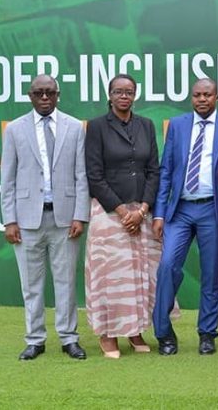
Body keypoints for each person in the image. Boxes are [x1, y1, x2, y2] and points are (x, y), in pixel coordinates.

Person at [1, 74, 89, 360]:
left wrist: (80, 216)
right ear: (30, 95)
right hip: (27, 221)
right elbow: (8, 179)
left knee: (66, 283)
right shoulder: (14, 129)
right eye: (39, 93)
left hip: (65, 220)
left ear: (58, 94)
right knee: (31, 285)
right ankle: (35, 339)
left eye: (50, 92)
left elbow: (81, 176)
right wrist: (10, 220)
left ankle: (69, 338)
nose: (44, 98)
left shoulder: (74, 127)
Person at [152, 78, 218, 356]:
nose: (202, 99)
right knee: (167, 266)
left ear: (217, 97)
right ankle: (164, 333)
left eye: (207, 95)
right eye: (197, 95)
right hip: (180, 210)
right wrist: (159, 213)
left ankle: (207, 333)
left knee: (211, 273)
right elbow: (166, 171)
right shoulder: (177, 125)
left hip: (213, 209)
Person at [84, 73, 160, 359]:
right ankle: (107, 335)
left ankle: (134, 330)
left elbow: (153, 170)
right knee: (110, 276)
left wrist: (142, 210)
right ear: (110, 95)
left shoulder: (146, 125)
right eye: (118, 91)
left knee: (138, 275)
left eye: (129, 91)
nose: (124, 96)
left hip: (140, 212)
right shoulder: (96, 127)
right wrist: (121, 210)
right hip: (109, 213)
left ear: (135, 95)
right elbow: (94, 175)